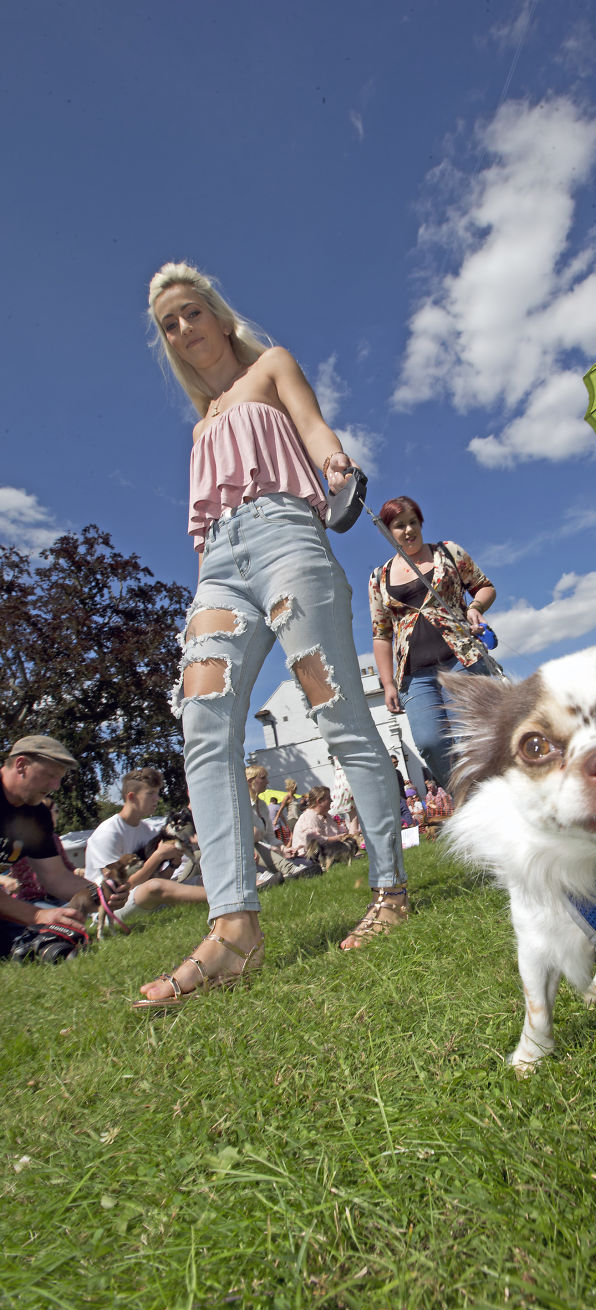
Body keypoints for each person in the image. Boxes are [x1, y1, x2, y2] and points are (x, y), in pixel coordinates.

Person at [136, 263, 406, 1005]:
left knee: (335, 709)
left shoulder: (271, 367)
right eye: (169, 324)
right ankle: (234, 930)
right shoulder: (201, 424)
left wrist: (335, 463)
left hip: (286, 538)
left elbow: (314, 429)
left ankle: (389, 889)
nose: (183, 329)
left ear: (219, 316)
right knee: (202, 723)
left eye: (191, 312)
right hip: (219, 569)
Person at [369, 496, 496, 788]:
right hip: (415, 676)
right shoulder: (378, 578)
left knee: (469, 735)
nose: (409, 530)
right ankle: (464, 797)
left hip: (461, 661)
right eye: (399, 525)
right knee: (430, 742)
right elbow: (381, 634)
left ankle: (492, 794)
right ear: (386, 531)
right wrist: (388, 684)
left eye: (413, 522)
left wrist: (475, 607)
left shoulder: (448, 552)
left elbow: (484, 587)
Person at [0, 737, 95, 957]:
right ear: (21, 765)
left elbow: (56, 878)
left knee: (50, 943)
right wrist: (37, 915)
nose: (55, 786)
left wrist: (100, 894)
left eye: (59, 779)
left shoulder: (36, 814)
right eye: (50, 775)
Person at [84, 767, 207, 927]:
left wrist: (173, 864)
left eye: (157, 793)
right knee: (153, 887)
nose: (157, 799)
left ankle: (231, 894)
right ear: (131, 797)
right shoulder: (108, 833)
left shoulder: (148, 831)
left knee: (198, 880)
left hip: (145, 898)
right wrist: (158, 855)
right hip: (108, 908)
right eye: (150, 793)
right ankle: (224, 898)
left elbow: (161, 878)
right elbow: (121, 887)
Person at [287, 785, 353, 855]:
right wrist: (336, 838)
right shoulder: (309, 816)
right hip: (307, 856)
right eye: (328, 798)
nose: (331, 800)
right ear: (319, 801)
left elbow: (335, 833)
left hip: (324, 852)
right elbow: (313, 839)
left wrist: (343, 836)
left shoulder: (326, 816)